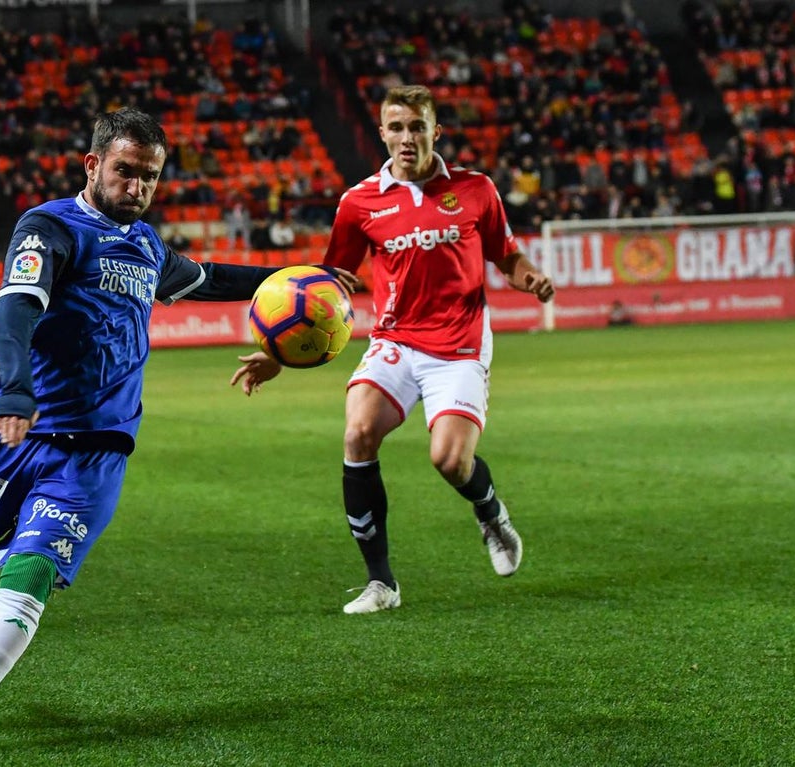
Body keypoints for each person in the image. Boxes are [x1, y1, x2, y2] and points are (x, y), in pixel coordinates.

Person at [0, 108, 358, 762]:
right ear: (93, 165)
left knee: (31, 576)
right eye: (126, 171)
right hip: (17, 430)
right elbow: (17, 307)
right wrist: (17, 386)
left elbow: (214, 278)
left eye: (149, 177)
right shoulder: (50, 227)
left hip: (96, 455)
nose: (136, 187)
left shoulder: (147, 247)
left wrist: (303, 280)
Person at [231, 85, 554, 614]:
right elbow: (325, 287)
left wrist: (531, 278)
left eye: (417, 127)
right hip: (395, 340)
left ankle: (491, 514)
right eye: (397, 128)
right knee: (357, 433)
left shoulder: (476, 190)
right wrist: (278, 352)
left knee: (450, 460)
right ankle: (381, 583)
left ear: (435, 131)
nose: (407, 138)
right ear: (382, 133)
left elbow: (507, 256)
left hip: (459, 344)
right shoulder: (359, 202)